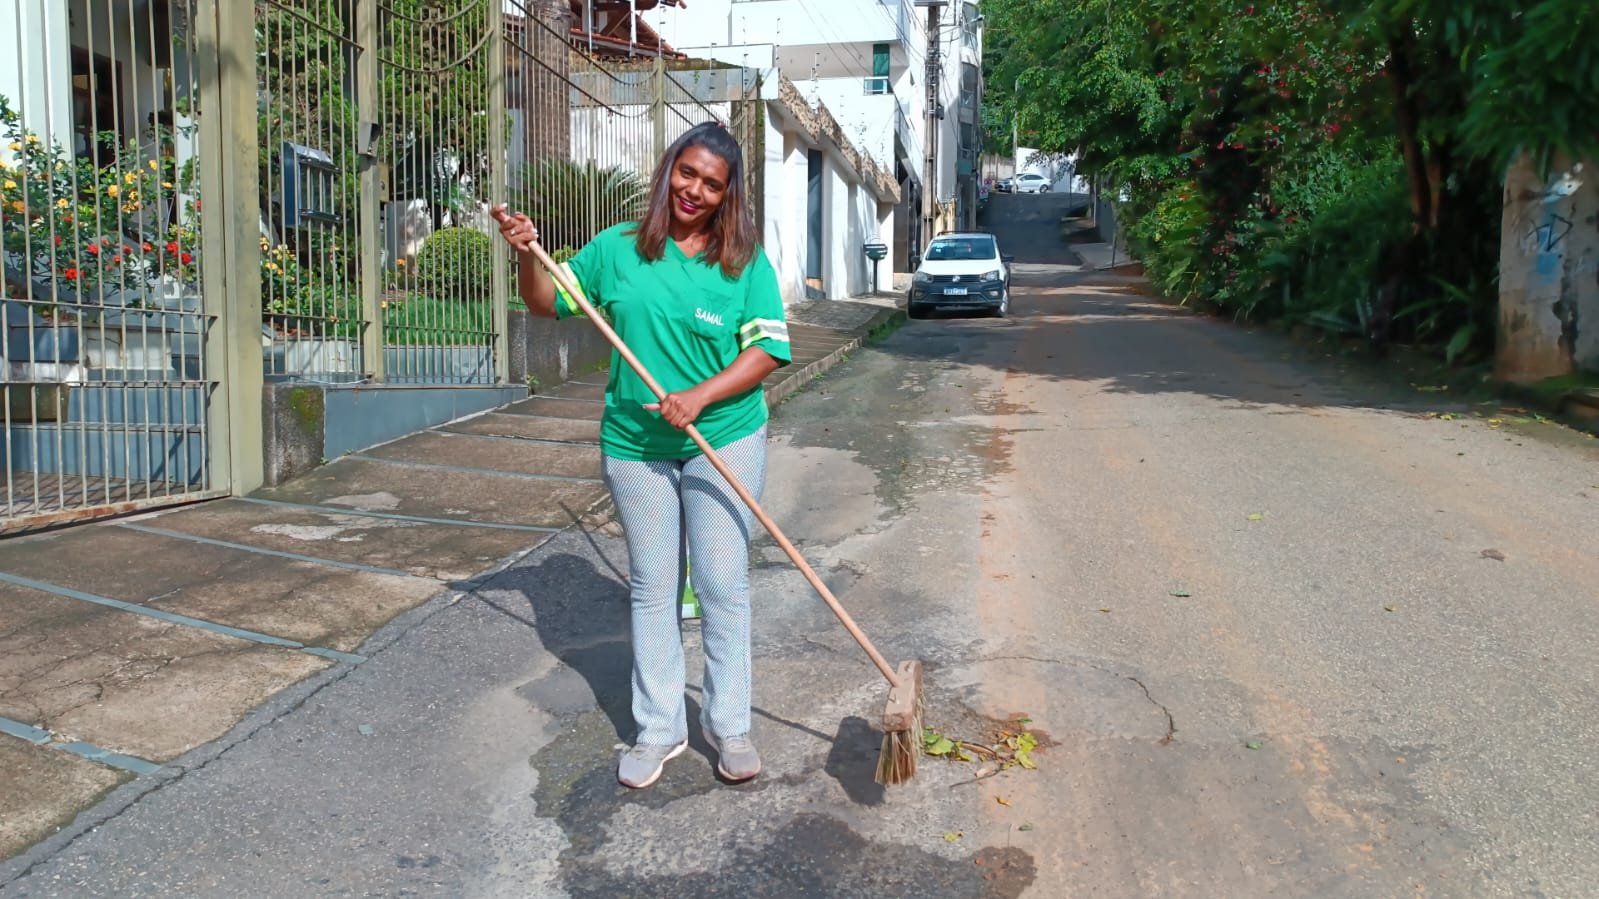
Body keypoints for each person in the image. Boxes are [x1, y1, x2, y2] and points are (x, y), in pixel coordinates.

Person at [491, 122, 790, 789]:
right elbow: (546, 305)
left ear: (726, 193)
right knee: (654, 587)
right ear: (669, 170)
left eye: (711, 183)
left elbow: (768, 348)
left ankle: (729, 723)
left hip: (724, 437)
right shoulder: (617, 249)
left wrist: (700, 396)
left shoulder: (741, 260)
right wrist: (525, 253)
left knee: (719, 581)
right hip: (636, 443)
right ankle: (659, 727)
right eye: (687, 173)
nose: (695, 190)